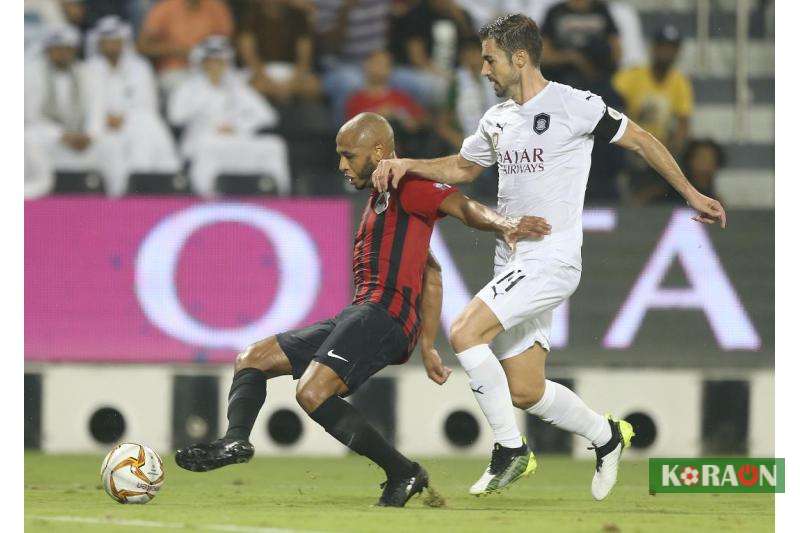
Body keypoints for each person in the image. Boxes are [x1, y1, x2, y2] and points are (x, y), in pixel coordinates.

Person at [372, 14, 726, 500]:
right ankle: (606, 437)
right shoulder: (496, 118)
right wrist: (407, 162)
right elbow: (462, 167)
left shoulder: (574, 105)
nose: (483, 70)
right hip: (511, 262)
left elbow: (641, 139)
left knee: (464, 332)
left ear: (520, 58)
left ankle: (509, 451)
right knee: (525, 390)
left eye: (490, 60)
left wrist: (690, 192)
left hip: (552, 260)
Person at [174, 112, 551, 507]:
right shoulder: (381, 199)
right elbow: (432, 272)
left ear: (378, 151)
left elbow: (466, 207)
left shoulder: (410, 185)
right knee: (253, 358)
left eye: (348, 155)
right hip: (362, 313)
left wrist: (504, 223)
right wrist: (427, 345)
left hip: (384, 314)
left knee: (313, 392)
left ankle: (403, 472)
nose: (341, 165)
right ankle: (236, 441)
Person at [168, 36, 291, 197]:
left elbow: (268, 115)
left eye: (220, 62)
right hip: (203, 138)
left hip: (236, 138)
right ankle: (205, 197)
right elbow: (175, 116)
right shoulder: (188, 87)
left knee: (275, 145)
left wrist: (238, 126)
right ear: (202, 63)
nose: (215, 66)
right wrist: (207, 116)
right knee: (208, 146)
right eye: (211, 62)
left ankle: (280, 197)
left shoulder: (237, 86)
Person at [83, 16, 181, 196]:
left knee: (147, 133)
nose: (112, 45)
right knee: (111, 147)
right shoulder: (88, 68)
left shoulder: (140, 67)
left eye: (116, 41)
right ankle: (119, 196)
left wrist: (124, 118)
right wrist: (105, 119)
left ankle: (149, 188)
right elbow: (87, 104)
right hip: (100, 127)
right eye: (107, 41)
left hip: (135, 123)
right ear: (99, 43)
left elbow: (148, 104)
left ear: (124, 42)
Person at [25, 25, 127, 195]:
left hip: (82, 138)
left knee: (112, 144)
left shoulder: (86, 73)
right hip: (50, 137)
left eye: (67, 49)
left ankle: (119, 197)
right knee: (27, 138)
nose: (63, 53)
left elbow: (96, 110)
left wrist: (89, 135)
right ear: (48, 50)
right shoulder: (31, 73)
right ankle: (34, 193)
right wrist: (61, 135)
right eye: (57, 49)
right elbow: (29, 116)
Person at [613, 25, 694, 205]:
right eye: (662, 46)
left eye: (671, 48)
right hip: (629, 143)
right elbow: (613, 105)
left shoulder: (679, 81)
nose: (666, 52)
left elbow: (683, 123)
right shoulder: (634, 75)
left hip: (661, 145)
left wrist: (672, 147)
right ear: (653, 48)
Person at [138, 0, 233, 94]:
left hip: (211, 68)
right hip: (176, 69)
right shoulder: (166, 7)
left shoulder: (216, 6)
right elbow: (142, 47)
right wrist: (174, 50)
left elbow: (228, 44)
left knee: (230, 86)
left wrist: (206, 53)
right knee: (184, 90)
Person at [345, 50, 428, 158]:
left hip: (403, 156)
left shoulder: (401, 97)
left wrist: (401, 117)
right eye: (376, 63)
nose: (380, 68)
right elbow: (352, 133)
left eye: (384, 64)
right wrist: (379, 115)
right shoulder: (356, 100)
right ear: (366, 66)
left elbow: (419, 123)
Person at [237, 0, 321, 104]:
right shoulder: (250, 15)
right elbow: (249, 55)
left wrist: (293, 82)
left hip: (290, 70)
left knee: (314, 86)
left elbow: (304, 56)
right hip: (260, 71)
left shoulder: (298, 15)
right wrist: (268, 82)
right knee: (250, 87)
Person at [540, 0, 620, 89]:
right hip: (564, 72)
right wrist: (572, 58)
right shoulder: (555, 12)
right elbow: (544, 54)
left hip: (599, 71)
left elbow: (615, 47)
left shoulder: (601, 10)